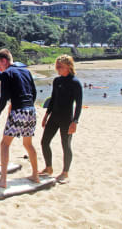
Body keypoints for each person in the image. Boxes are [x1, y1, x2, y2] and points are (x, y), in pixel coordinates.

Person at [0, 49, 39, 188]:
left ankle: (3, 180)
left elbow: (3, 98)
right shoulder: (26, 71)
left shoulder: (6, 73)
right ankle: (35, 175)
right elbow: (33, 93)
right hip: (31, 111)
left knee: (5, 144)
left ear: (4, 61)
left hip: (19, 111)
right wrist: (27, 105)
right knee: (28, 144)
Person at [39, 55, 82, 184]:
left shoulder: (75, 83)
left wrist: (75, 121)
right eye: (56, 66)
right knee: (44, 142)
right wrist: (46, 115)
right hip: (54, 117)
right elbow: (52, 99)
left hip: (67, 119)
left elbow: (79, 104)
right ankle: (49, 168)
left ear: (68, 66)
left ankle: (65, 172)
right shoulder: (57, 81)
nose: (57, 69)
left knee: (66, 145)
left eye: (60, 66)